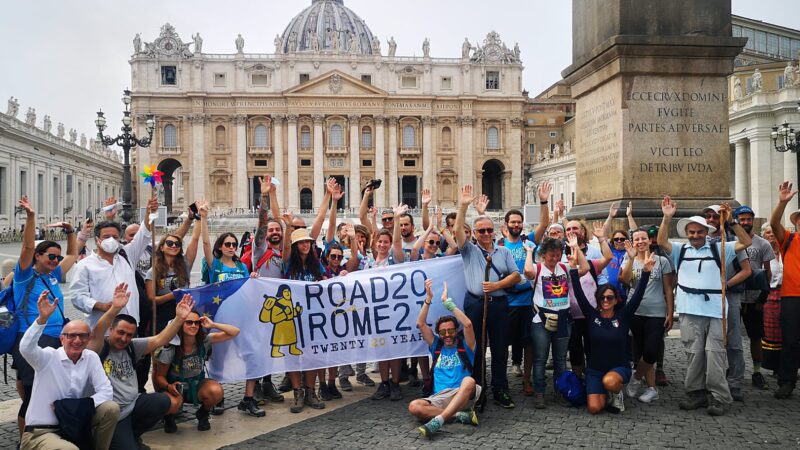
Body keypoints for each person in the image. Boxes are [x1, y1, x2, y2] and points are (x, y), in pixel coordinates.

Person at [657, 198, 751, 415]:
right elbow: (662, 242)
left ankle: (719, 397)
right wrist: (666, 217)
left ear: (706, 232)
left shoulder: (721, 248)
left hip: (716, 311)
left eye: (699, 232)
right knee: (694, 353)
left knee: (715, 353)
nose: (695, 236)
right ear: (686, 233)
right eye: (691, 232)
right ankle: (696, 392)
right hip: (690, 310)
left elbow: (745, 243)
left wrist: (732, 222)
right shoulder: (681, 251)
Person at [11, 196, 86, 439]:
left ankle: (48, 431)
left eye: (57, 257)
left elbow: (73, 255)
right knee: (34, 393)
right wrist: (31, 217)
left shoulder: (53, 276)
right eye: (50, 256)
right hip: (32, 339)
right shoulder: (24, 276)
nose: (55, 260)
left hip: (57, 339)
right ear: (37, 257)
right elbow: (27, 247)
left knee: (51, 388)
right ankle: (27, 441)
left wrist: (71, 232)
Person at [88, 284, 194, 449]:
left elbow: (160, 339)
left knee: (165, 401)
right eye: (120, 332)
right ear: (111, 330)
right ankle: (115, 438)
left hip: (134, 404)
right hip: (114, 415)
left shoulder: (132, 346)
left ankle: (132, 434)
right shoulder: (100, 347)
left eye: (129, 335)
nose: (124, 338)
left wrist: (179, 319)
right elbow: (97, 332)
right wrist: (114, 309)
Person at [20, 292, 119, 450]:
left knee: (111, 409)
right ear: (62, 339)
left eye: (82, 336)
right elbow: (26, 348)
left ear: (89, 339)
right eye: (72, 336)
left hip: (74, 424)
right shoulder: (47, 357)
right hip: (41, 432)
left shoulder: (91, 357)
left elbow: (106, 391)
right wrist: (42, 319)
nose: (77, 340)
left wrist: (73, 407)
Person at [454, 184, 521, 408]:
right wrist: (463, 207)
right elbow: (456, 233)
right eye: (481, 231)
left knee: (501, 348)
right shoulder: (469, 251)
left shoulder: (504, 252)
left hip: (500, 304)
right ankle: (478, 389)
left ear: (495, 232)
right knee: (477, 348)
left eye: (489, 230)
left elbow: (516, 276)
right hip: (475, 304)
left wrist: (496, 285)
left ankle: (500, 388)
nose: (485, 234)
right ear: (474, 233)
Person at [569, 240, 654, 414]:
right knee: (594, 408)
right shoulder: (591, 314)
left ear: (616, 300)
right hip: (594, 369)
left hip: (619, 368)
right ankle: (603, 391)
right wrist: (572, 269)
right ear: (598, 300)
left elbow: (637, 296)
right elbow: (578, 293)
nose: (606, 301)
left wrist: (645, 273)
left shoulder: (623, 315)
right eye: (602, 298)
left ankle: (616, 392)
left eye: (609, 297)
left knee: (610, 381)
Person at [71, 196, 158, 329]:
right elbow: (77, 296)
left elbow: (144, 234)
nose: (111, 240)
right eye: (106, 237)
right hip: (102, 327)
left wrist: (148, 213)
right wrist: (101, 306)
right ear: (97, 240)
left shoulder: (127, 255)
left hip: (131, 326)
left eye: (115, 237)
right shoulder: (85, 265)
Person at [409, 280, 479, 439]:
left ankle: (439, 420)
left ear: (456, 330)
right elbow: (420, 324)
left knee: (469, 381)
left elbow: (468, 324)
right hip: (438, 397)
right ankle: (459, 416)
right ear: (438, 334)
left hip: (461, 394)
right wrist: (428, 299)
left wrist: (448, 304)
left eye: (451, 330)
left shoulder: (466, 346)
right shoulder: (436, 346)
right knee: (414, 406)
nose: (447, 335)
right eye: (443, 332)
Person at [524, 235, 587, 408]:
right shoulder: (537, 269)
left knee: (560, 359)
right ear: (543, 255)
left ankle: (561, 391)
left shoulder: (565, 268)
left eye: (558, 254)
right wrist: (529, 252)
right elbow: (527, 271)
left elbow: (585, 268)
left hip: (562, 319)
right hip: (540, 320)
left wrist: (576, 248)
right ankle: (539, 393)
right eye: (551, 255)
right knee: (540, 359)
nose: (555, 258)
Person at [154, 310, 239, 432]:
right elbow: (159, 376)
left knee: (216, 391)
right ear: (180, 324)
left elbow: (235, 332)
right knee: (170, 405)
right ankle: (169, 417)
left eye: (197, 322)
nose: (193, 325)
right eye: (188, 322)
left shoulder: (205, 341)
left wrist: (213, 325)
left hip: (197, 385)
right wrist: (168, 386)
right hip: (175, 388)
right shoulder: (171, 347)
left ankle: (203, 414)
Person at [703, 204, 752, 402]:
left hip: (728, 294)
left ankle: (735, 381)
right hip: (707, 297)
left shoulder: (733, 241)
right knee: (710, 340)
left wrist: (726, 284)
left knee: (733, 340)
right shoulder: (700, 239)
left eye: (715, 217)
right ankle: (712, 379)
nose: (711, 220)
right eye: (708, 217)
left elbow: (746, 270)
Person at [620, 227, 674, 403]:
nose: (640, 242)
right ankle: (652, 388)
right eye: (637, 239)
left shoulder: (661, 261)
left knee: (651, 351)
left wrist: (670, 312)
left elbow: (668, 288)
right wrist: (629, 258)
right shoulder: (629, 259)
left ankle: (636, 377)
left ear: (649, 241)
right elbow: (625, 281)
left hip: (656, 311)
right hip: (634, 311)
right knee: (641, 351)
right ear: (633, 242)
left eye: (643, 238)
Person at [281, 221, 328, 412]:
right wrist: (287, 228)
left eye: (308, 242)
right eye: (301, 242)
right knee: (292, 356)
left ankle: (310, 391)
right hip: (291, 318)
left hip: (312, 318)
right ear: (294, 245)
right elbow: (284, 249)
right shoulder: (288, 263)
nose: (305, 245)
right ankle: (297, 392)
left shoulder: (316, 265)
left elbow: (325, 282)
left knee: (311, 356)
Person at [734, 205, 774, 390]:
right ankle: (732, 370)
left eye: (748, 219)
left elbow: (768, 273)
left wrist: (762, 298)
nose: (746, 222)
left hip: (754, 297)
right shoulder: (731, 242)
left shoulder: (763, 244)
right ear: (736, 221)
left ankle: (757, 372)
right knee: (730, 336)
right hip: (735, 296)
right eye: (742, 220)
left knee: (756, 336)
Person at [768, 181, 800, 398]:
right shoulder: (790, 240)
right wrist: (781, 202)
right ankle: (787, 380)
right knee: (790, 340)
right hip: (792, 296)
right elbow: (773, 222)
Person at [761, 224, 784, 374]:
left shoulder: (786, 252)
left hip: (788, 294)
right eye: (768, 232)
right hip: (769, 295)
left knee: (789, 330)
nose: (771, 235)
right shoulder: (763, 254)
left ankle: (789, 366)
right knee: (772, 332)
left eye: (773, 232)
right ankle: (775, 366)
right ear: (764, 236)